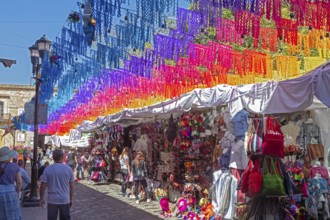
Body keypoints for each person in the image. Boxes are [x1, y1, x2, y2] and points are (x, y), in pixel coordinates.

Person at [40, 149, 75, 220]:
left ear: (53, 158)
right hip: (64, 199)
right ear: (62, 157)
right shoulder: (68, 169)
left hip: (52, 199)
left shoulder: (48, 169)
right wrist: (71, 199)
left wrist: (41, 198)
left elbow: (43, 186)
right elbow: (71, 186)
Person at [0, 146, 22, 220]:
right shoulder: (15, 166)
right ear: (9, 157)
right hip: (11, 191)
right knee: (13, 214)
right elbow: (19, 182)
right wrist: (17, 191)